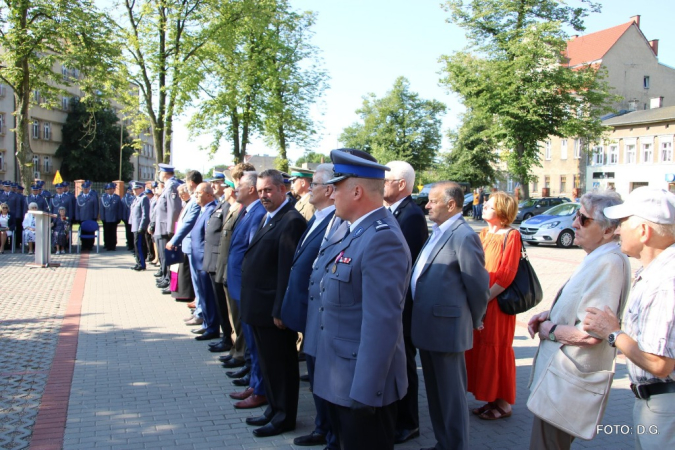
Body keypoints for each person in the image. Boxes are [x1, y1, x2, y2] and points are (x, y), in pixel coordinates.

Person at [311, 150, 411, 450]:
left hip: (362, 385)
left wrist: (365, 392)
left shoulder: (382, 238)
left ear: (356, 191)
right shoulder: (355, 230)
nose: (330, 195)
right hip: (341, 377)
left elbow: (381, 325)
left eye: (335, 187)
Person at [527, 190, 630, 450]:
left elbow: (592, 333)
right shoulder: (599, 257)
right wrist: (550, 315)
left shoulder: (608, 261)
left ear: (608, 231)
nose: (574, 223)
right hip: (560, 381)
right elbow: (582, 309)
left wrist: (550, 329)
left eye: (583, 219)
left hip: (566, 384)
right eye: (576, 215)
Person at [583, 187, 675, 450]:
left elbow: (659, 364)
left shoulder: (666, 281)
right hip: (655, 404)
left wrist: (613, 333)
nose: (619, 230)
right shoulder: (656, 271)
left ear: (644, 232)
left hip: (664, 408)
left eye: (624, 223)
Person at [411, 181, 490, 450]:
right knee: (435, 393)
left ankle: (454, 445)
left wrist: (475, 319)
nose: (427, 205)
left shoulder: (463, 235)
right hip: (430, 326)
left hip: (447, 330)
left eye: (433, 201)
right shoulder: (439, 231)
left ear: (451, 204)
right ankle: (442, 442)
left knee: (451, 396)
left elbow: (478, 286)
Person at [238, 169, 307, 437]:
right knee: (267, 365)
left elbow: (287, 271)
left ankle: (284, 417)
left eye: (268, 190)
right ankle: (273, 410)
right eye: (261, 190)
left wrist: (280, 309)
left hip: (272, 311)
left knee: (281, 367)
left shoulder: (291, 220)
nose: (263, 195)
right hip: (259, 307)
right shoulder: (271, 218)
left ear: (282, 189)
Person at [280, 164, 340, 449]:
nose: (307, 189)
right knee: (316, 376)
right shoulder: (318, 217)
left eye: (314, 184)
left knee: (325, 378)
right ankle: (322, 427)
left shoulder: (335, 221)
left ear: (329, 190)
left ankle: (331, 432)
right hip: (307, 309)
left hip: (320, 313)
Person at [382, 160, 428, 444]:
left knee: (405, 366)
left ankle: (409, 422)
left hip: (403, 308)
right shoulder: (395, 212)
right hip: (395, 306)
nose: (381, 185)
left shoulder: (410, 215)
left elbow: (403, 266)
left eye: (385, 181)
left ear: (401, 185)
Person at [465, 192, 521, 420]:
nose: (483, 208)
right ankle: (491, 398)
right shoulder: (485, 233)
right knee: (481, 347)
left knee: (497, 349)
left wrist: (484, 298)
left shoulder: (512, 235)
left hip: (497, 304)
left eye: (489, 206)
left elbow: (506, 275)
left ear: (501, 211)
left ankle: (504, 403)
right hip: (482, 300)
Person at [226, 170, 267, 406]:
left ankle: (258, 388)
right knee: (250, 340)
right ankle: (254, 381)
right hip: (239, 285)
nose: (235, 188)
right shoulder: (248, 211)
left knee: (254, 340)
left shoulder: (258, 212)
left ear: (251, 189)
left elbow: (252, 255)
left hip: (246, 287)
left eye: (239, 185)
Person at [203, 175, 235, 351]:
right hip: (214, 259)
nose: (216, 186)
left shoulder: (229, 206)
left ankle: (228, 340)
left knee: (224, 305)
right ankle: (226, 337)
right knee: (219, 303)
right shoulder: (221, 203)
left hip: (219, 261)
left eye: (221, 184)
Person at [189, 182, 220, 341]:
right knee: (203, 294)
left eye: (199, 193)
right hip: (198, 259)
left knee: (208, 296)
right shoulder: (204, 209)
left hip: (204, 260)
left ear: (209, 195)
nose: (196, 196)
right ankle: (207, 324)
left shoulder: (211, 210)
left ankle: (212, 327)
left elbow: (210, 237)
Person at [154, 164, 183, 288]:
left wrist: (171, 229)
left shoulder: (171, 186)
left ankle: (168, 279)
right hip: (161, 226)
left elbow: (173, 209)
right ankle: (165, 277)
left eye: (160, 172)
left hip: (166, 228)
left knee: (167, 256)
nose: (159, 174)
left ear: (165, 174)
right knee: (162, 255)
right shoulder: (167, 186)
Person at [129, 182, 150, 271]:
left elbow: (145, 214)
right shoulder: (136, 199)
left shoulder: (144, 198)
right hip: (135, 226)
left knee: (139, 245)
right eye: (133, 189)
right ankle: (138, 262)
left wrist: (142, 226)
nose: (134, 191)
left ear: (142, 189)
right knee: (136, 245)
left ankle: (141, 264)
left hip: (139, 227)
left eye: (136, 189)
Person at [100, 183, 123, 251]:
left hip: (114, 218)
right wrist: (102, 217)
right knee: (106, 232)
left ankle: (113, 245)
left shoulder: (117, 197)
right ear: (107, 190)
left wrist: (119, 217)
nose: (110, 190)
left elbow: (119, 208)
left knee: (113, 232)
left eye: (112, 189)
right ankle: (107, 244)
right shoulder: (103, 198)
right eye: (109, 189)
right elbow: (101, 209)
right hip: (106, 218)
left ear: (114, 189)